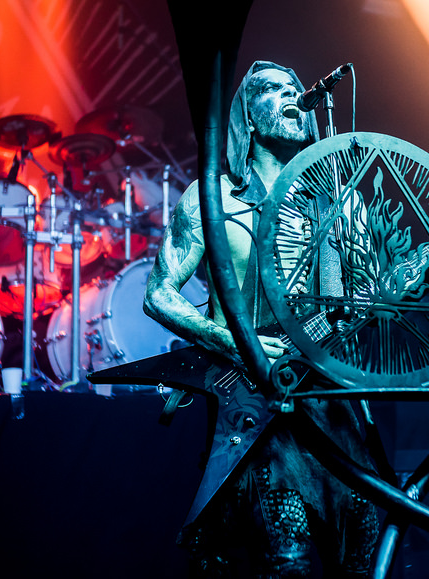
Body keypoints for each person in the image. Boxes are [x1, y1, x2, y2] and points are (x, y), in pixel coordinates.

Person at [143, 61, 381, 578]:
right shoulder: (210, 198)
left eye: (296, 88)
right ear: (247, 117)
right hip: (256, 403)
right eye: (274, 89)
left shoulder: (339, 201)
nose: (293, 96)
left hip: (333, 400)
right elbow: (158, 294)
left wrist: (423, 267)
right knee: (286, 559)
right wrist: (230, 340)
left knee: (361, 558)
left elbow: (365, 298)